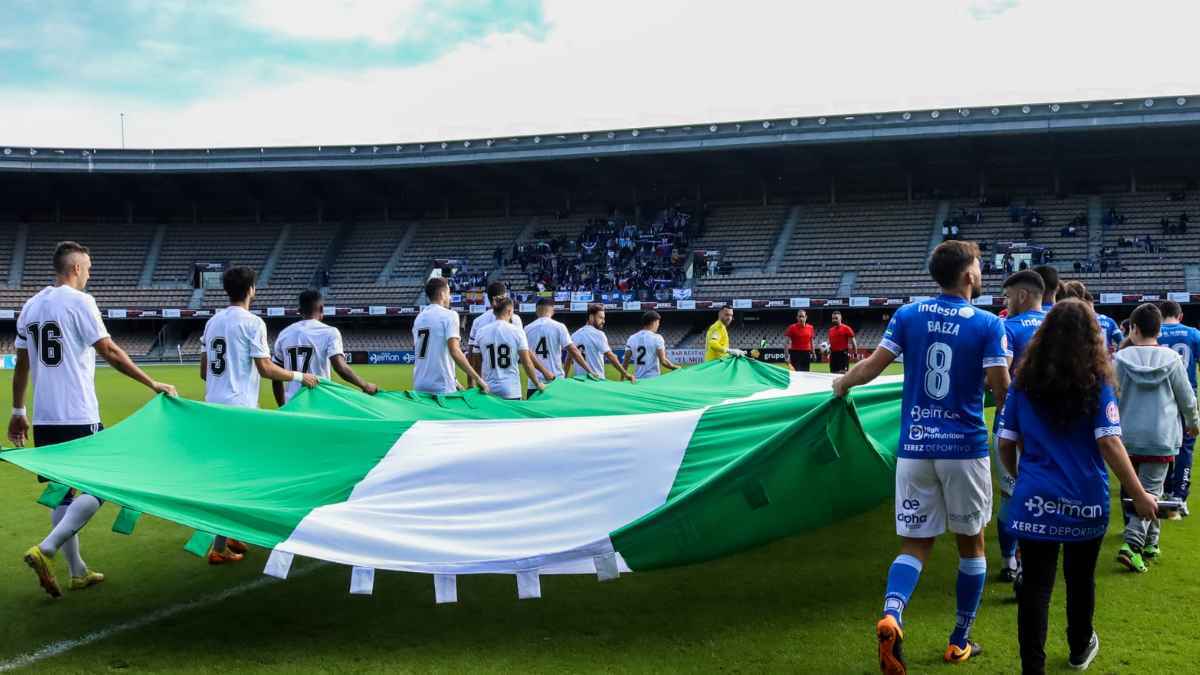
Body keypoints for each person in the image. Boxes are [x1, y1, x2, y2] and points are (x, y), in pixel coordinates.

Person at [833, 240, 1009, 671]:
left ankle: (892, 613)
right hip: (963, 449)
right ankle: (959, 641)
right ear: (968, 275)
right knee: (972, 547)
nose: (982, 273)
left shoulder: (908, 315)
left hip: (914, 448)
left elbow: (873, 366)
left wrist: (841, 385)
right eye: (980, 266)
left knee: (915, 543)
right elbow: (1002, 388)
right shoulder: (988, 323)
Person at [997, 298, 1159, 673]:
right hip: (1085, 498)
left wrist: (1022, 478)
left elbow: (1006, 442)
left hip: (1035, 497)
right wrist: (1138, 493)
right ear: (1092, 337)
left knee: (1036, 586)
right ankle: (1078, 648)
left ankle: (1031, 667)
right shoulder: (1097, 384)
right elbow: (1109, 441)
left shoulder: (1023, 383)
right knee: (1080, 579)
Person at [14, 241, 178, 598]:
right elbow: (110, 351)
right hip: (78, 413)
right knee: (104, 485)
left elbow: (22, 363)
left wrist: (18, 411)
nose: (89, 275)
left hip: (45, 417)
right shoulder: (80, 302)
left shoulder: (30, 306)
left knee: (63, 492)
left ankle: (77, 571)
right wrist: (152, 382)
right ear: (74, 269)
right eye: (87, 268)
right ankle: (46, 549)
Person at [201, 266, 317, 564]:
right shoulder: (253, 323)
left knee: (229, 472)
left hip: (212, 407)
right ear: (252, 289)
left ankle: (230, 532)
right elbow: (266, 369)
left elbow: (204, 371)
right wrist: (299, 376)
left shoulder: (212, 322)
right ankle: (216, 546)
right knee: (239, 476)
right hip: (240, 409)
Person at [1114, 303, 1200, 572]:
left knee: (1141, 490)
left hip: (1126, 436)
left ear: (1133, 328)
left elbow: (1110, 396)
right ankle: (1132, 543)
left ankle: (1151, 542)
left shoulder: (1119, 360)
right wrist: (1193, 422)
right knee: (1151, 491)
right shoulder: (1172, 360)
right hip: (1161, 436)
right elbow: (1187, 398)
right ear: (1160, 330)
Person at [993, 269, 1047, 583]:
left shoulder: (1007, 327)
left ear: (1022, 295)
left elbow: (1002, 375)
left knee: (1011, 494)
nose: (1006, 302)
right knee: (1041, 492)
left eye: (1008, 296)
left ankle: (1008, 560)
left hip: (1013, 425)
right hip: (1053, 426)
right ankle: (1031, 563)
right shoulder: (1059, 324)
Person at [271, 290, 378, 406]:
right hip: (320, 402)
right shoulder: (330, 332)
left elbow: (275, 376)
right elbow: (340, 367)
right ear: (322, 309)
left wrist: (283, 407)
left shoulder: (284, 334)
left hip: (293, 405)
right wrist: (365, 385)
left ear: (300, 311)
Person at [1158, 300, 1200, 518]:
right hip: (1186, 396)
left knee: (1162, 445)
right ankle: (1179, 495)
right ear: (1180, 315)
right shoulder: (1193, 334)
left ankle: (1162, 490)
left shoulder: (1154, 332)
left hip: (1159, 399)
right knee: (1185, 446)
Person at [412, 277, 487, 395]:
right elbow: (455, 351)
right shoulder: (450, 315)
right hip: (441, 385)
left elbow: (426, 352)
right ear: (442, 294)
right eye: (449, 293)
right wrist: (478, 379)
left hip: (419, 384)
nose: (450, 297)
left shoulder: (419, 318)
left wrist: (455, 381)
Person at [477, 298, 554, 400]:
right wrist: (537, 383)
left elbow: (477, 360)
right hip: (511, 389)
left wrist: (477, 381)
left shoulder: (481, 332)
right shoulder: (517, 331)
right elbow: (527, 363)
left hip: (489, 388)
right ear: (509, 311)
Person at [525, 297, 595, 395]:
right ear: (552, 310)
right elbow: (573, 351)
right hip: (556, 381)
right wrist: (590, 370)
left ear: (536, 310)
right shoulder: (559, 327)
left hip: (535, 383)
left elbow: (525, 355)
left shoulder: (527, 329)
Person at [467, 281, 524, 387]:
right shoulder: (515, 319)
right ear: (504, 296)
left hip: (486, 383)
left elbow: (471, 357)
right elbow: (524, 353)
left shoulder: (478, 321)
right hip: (511, 383)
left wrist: (471, 383)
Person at [568, 304, 635, 382]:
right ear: (591, 317)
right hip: (596, 380)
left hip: (580, 382)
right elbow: (611, 357)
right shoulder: (598, 334)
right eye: (600, 318)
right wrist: (626, 374)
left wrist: (564, 377)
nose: (603, 321)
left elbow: (568, 360)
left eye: (604, 318)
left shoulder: (574, 335)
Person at [624, 311, 680, 380]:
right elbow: (663, 361)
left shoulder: (631, 338)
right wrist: (676, 368)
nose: (658, 325)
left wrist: (621, 379)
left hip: (638, 380)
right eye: (658, 322)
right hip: (653, 379)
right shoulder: (657, 338)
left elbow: (625, 362)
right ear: (654, 322)